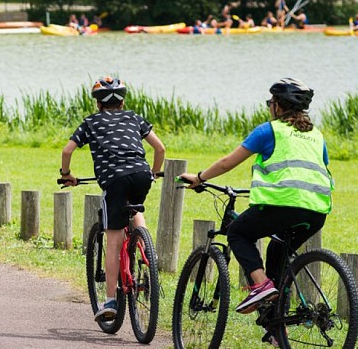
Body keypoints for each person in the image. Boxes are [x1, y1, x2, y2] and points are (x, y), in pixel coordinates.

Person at [179, 78, 332, 318]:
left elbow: (228, 162)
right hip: (317, 210)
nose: (269, 106)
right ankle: (275, 322)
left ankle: (260, 285)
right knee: (278, 251)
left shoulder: (269, 130)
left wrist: (200, 177)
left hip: (283, 204)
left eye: (270, 102)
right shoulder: (316, 135)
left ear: (278, 106)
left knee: (238, 233)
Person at [59, 77, 165, 322]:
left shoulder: (91, 122)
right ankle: (148, 252)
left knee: (114, 239)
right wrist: (155, 173)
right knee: (135, 205)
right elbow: (160, 148)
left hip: (115, 180)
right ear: (123, 101)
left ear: (98, 104)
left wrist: (67, 175)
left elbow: (67, 151)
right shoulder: (134, 118)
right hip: (141, 174)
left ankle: (110, 302)